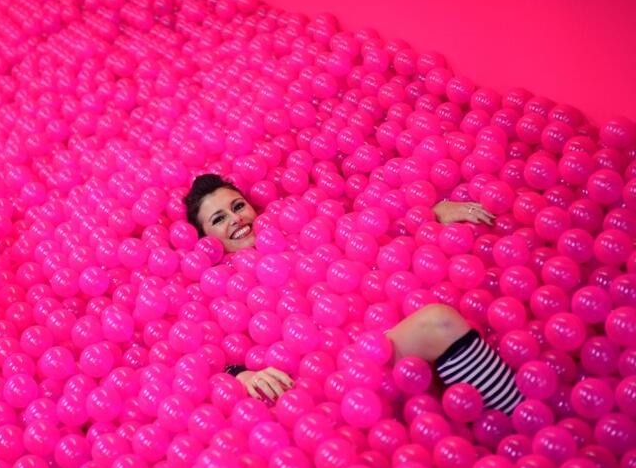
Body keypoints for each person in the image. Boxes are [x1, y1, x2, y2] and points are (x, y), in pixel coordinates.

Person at [184, 174, 523, 414]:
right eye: (219, 218)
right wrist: (241, 376)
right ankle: (521, 421)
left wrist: (431, 213)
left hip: (374, 338)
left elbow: (368, 236)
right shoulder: (218, 288)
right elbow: (204, 363)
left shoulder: (299, 230)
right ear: (206, 240)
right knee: (439, 322)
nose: (236, 219)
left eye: (238, 206)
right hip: (329, 382)